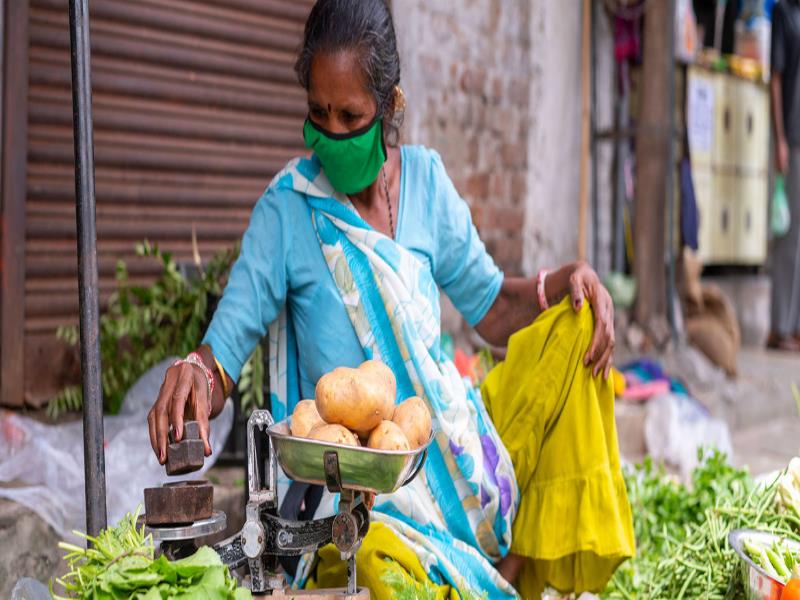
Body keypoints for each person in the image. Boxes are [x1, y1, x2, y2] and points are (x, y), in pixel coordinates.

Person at [147, 0, 634, 597]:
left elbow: (491, 309)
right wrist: (197, 371)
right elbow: (226, 344)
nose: (334, 134)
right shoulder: (288, 207)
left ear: (390, 104)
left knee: (575, 330)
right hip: (353, 491)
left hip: (445, 450)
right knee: (377, 567)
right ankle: (475, 578)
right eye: (318, 114)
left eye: (351, 116)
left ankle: (505, 575)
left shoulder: (427, 183)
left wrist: (567, 279)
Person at [769, 0, 800, 351]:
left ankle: (795, 326)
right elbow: (775, 79)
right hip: (791, 139)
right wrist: (779, 138)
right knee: (789, 238)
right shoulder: (783, 13)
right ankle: (780, 327)